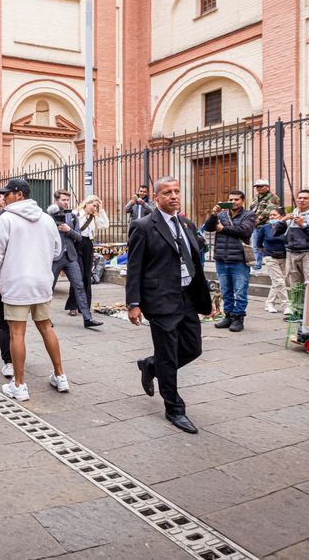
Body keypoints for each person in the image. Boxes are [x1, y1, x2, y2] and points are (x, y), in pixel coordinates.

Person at [126, 176, 211, 434]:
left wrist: (203, 296)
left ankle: (151, 365)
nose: (173, 196)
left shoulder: (185, 223)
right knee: (167, 353)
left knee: (192, 348)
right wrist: (133, 302)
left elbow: (193, 260)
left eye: (176, 191)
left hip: (186, 297)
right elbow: (135, 266)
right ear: (157, 198)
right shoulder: (143, 226)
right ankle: (174, 408)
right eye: (167, 193)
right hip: (160, 299)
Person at [0, 178, 67, 402]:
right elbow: (58, 250)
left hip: (17, 283)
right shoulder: (47, 219)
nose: (4, 197)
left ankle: (19, 384)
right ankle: (61, 376)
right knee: (46, 328)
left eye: (7, 193)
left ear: (19, 194)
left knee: (16, 333)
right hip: (41, 282)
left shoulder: (7, 218)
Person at [204, 191, 255, 333]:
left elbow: (245, 230)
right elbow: (208, 228)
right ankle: (228, 316)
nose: (233, 202)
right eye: (231, 199)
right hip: (221, 258)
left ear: (243, 201)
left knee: (240, 291)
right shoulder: (221, 215)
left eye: (236, 199)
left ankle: (238, 318)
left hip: (239, 259)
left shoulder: (249, 215)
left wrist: (223, 229)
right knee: (226, 291)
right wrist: (214, 215)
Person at [48, 189, 100, 328]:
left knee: (79, 286)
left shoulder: (72, 216)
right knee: (49, 288)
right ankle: (45, 318)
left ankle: (87, 319)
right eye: (63, 200)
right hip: (55, 257)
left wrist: (68, 230)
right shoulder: (48, 216)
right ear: (56, 200)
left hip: (71, 257)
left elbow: (78, 237)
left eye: (67, 200)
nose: (65, 202)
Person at [274, 189, 309, 289]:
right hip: (291, 253)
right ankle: (296, 305)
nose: (301, 200)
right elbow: (275, 233)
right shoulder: (292, 214)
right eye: (299, 198)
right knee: (295, 286)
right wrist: (282, 220)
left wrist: (304, 225)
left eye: (305, 198)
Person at [66, 194, 109, 316]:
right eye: (93, 205)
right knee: (77, 275)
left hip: (88, 245)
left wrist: (101, 210)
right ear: (87, 203)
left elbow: (105, 225)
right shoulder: (76, 213)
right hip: (76, 243)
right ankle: (73, 306)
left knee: (87, 275)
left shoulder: (94, 218)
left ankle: (84, 307)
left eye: (96, 206)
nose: (94, 208)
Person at [248, 179, 281, 271]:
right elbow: (252, 209)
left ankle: (269, 263)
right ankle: (258, 264)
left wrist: (255, 221)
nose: (258, 188)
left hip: (266, 225)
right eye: (257, 187)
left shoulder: (273, 197)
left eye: (261, 186)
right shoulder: (256, 197)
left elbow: (269, 211)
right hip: (255, 225)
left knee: (266, 244)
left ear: (267, 187)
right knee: (255, 245)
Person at [260, 208, 288, 314]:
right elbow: (259, 243)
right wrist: (266, 253)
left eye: (274, 215)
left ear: (282, 216)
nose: (271, 217)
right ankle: (286, 305)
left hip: (284, 257)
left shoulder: (286, 227)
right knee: (279, 281)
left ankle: (269, 303)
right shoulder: (265, 228)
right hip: (270, 256)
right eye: (270, 215)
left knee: (277, 282)